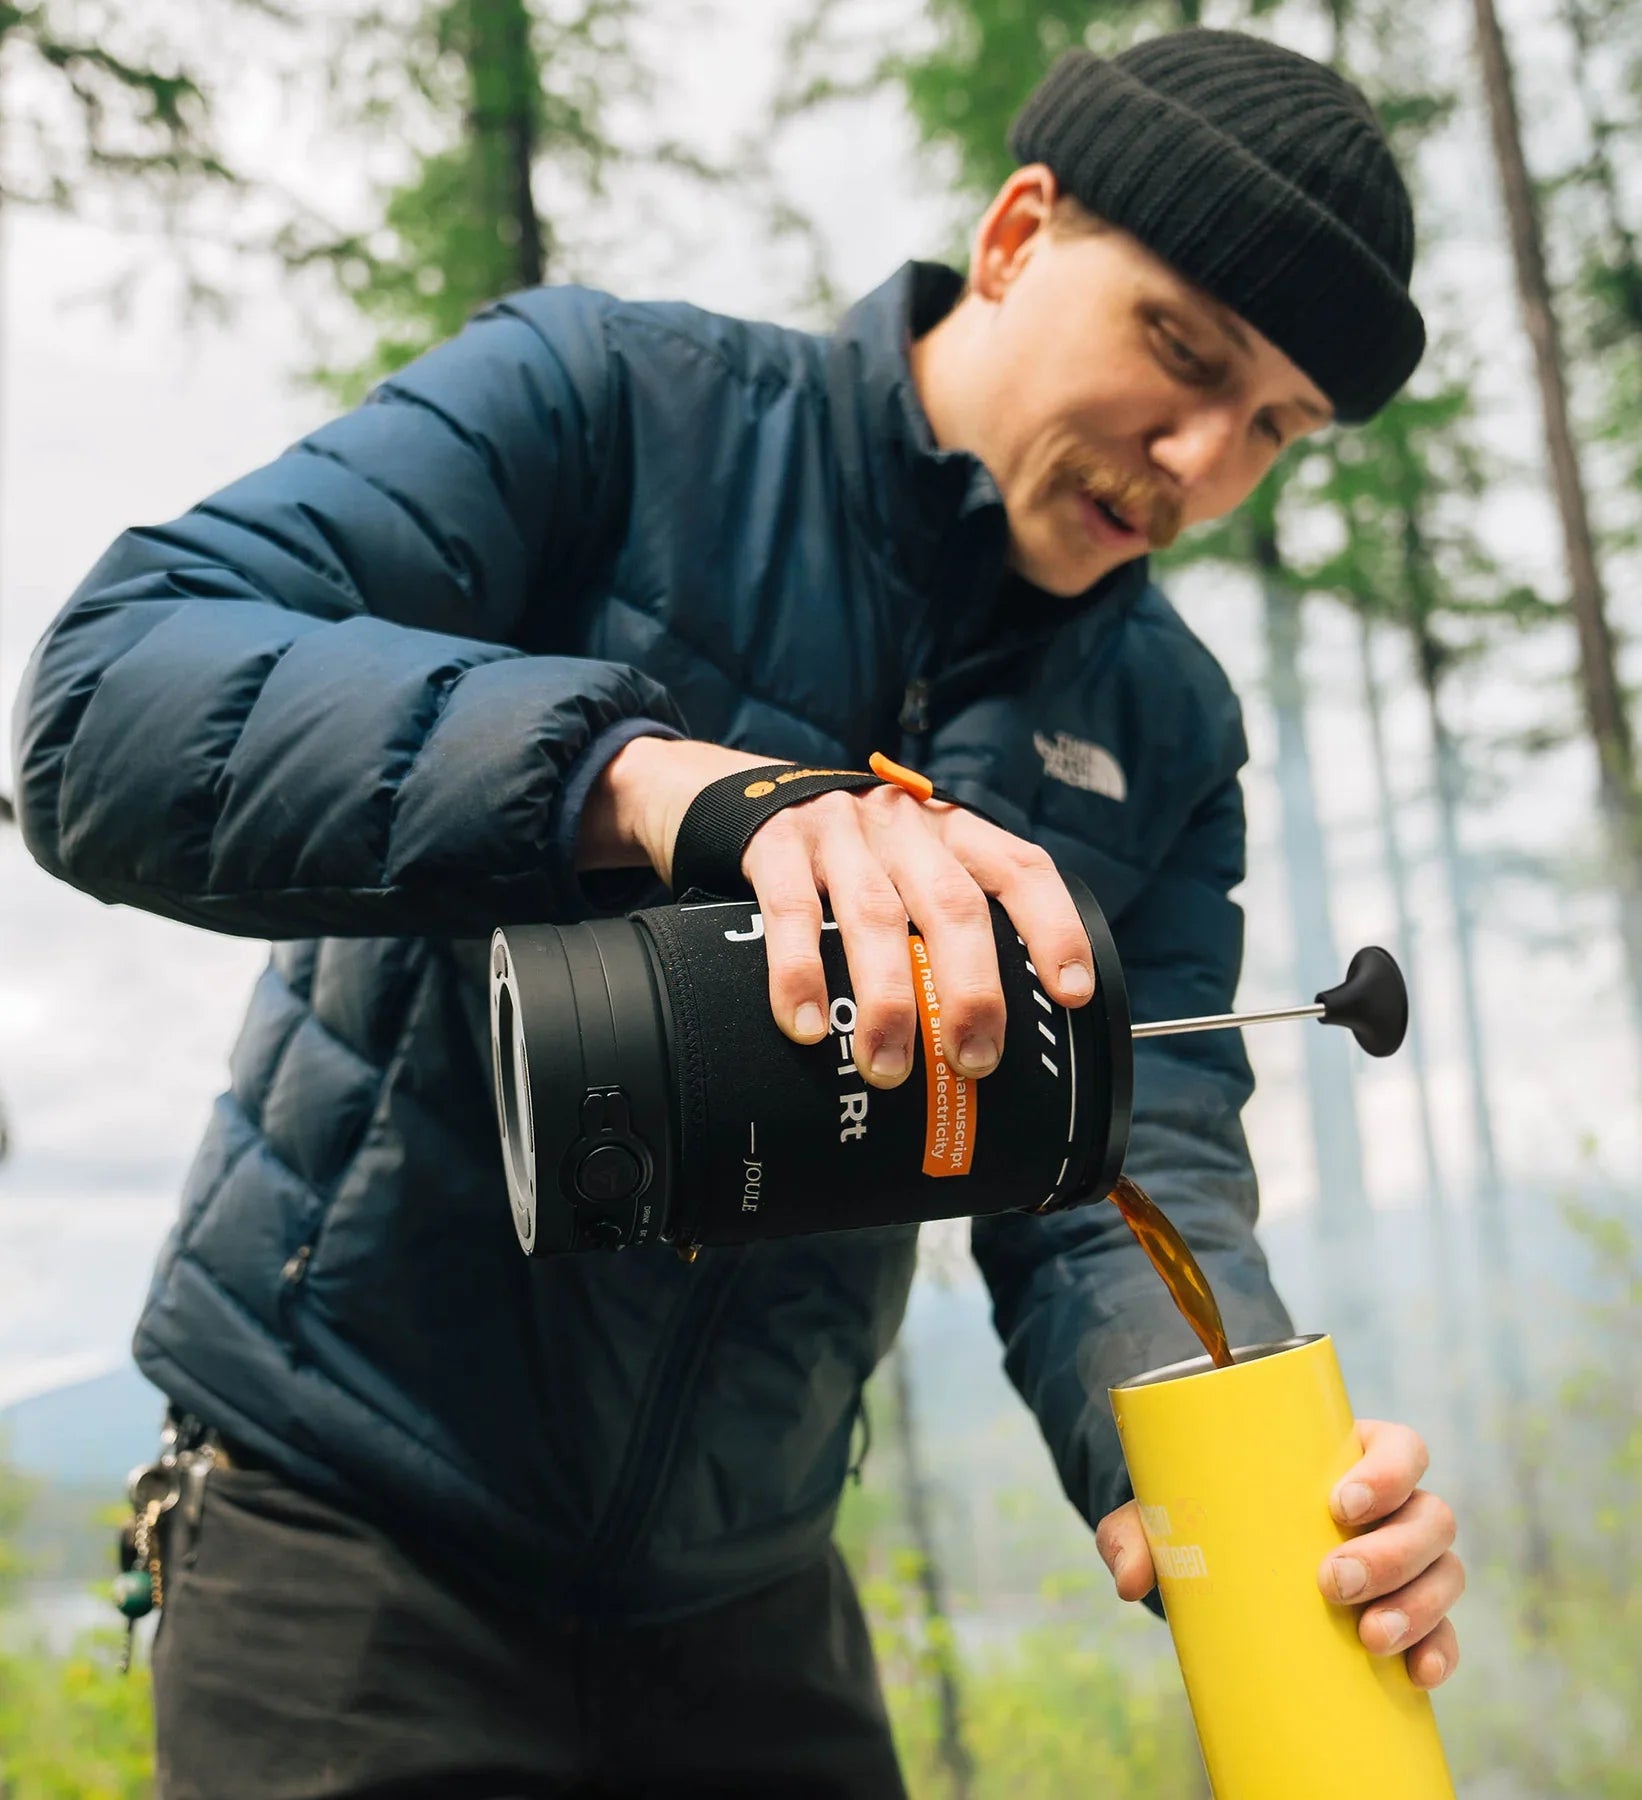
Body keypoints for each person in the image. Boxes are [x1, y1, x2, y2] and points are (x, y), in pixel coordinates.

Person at [13, 26, 1464, 1799]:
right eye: (1182, 351)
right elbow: (106, 701)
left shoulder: (1164, 723)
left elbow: (1120, 1167)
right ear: (1016, 235)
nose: (1197, 460)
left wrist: (1249, 1480)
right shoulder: (615, 405)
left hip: (748, 1598)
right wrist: (642, 779)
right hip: (348, 1542)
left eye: (1277, 430)